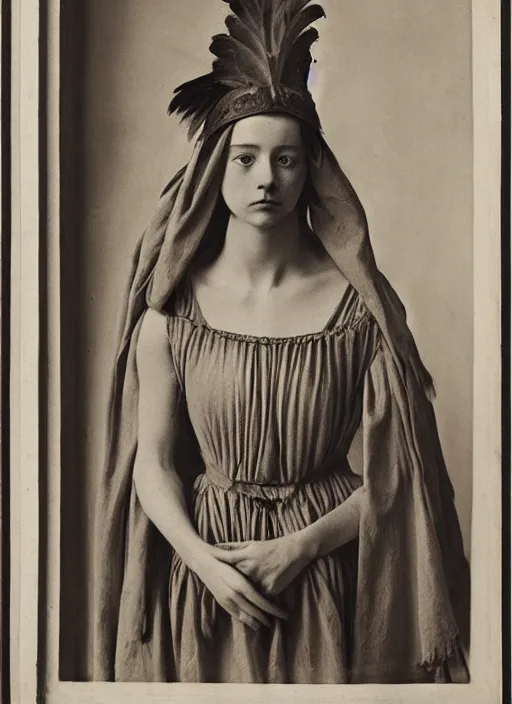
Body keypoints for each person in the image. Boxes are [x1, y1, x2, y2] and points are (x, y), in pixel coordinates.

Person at [93, 0, 470, 685]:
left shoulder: (361, 315)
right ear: (214, 170)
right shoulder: (169, 317)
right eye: (246, 158)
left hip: (327, 581)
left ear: (310, 171)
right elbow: (154, 464)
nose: (266, 177)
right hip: (207, 585)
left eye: (286, 159)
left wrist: (299, 547)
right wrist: (204, 562)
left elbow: (399, 474)